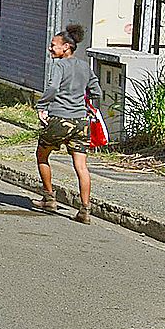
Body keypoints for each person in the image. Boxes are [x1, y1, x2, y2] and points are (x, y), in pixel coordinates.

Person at [35, 23, 102, 223]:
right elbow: (97, 91)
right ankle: (85, 210)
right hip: (81, 121)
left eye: (54, 45)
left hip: (59, 119)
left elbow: (53, 87)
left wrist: (41, 105)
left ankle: (49, 198)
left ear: (66, 47)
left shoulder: (59, 65)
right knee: (81, 166)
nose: (50, 48)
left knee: (42, 156)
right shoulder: (84, 66)